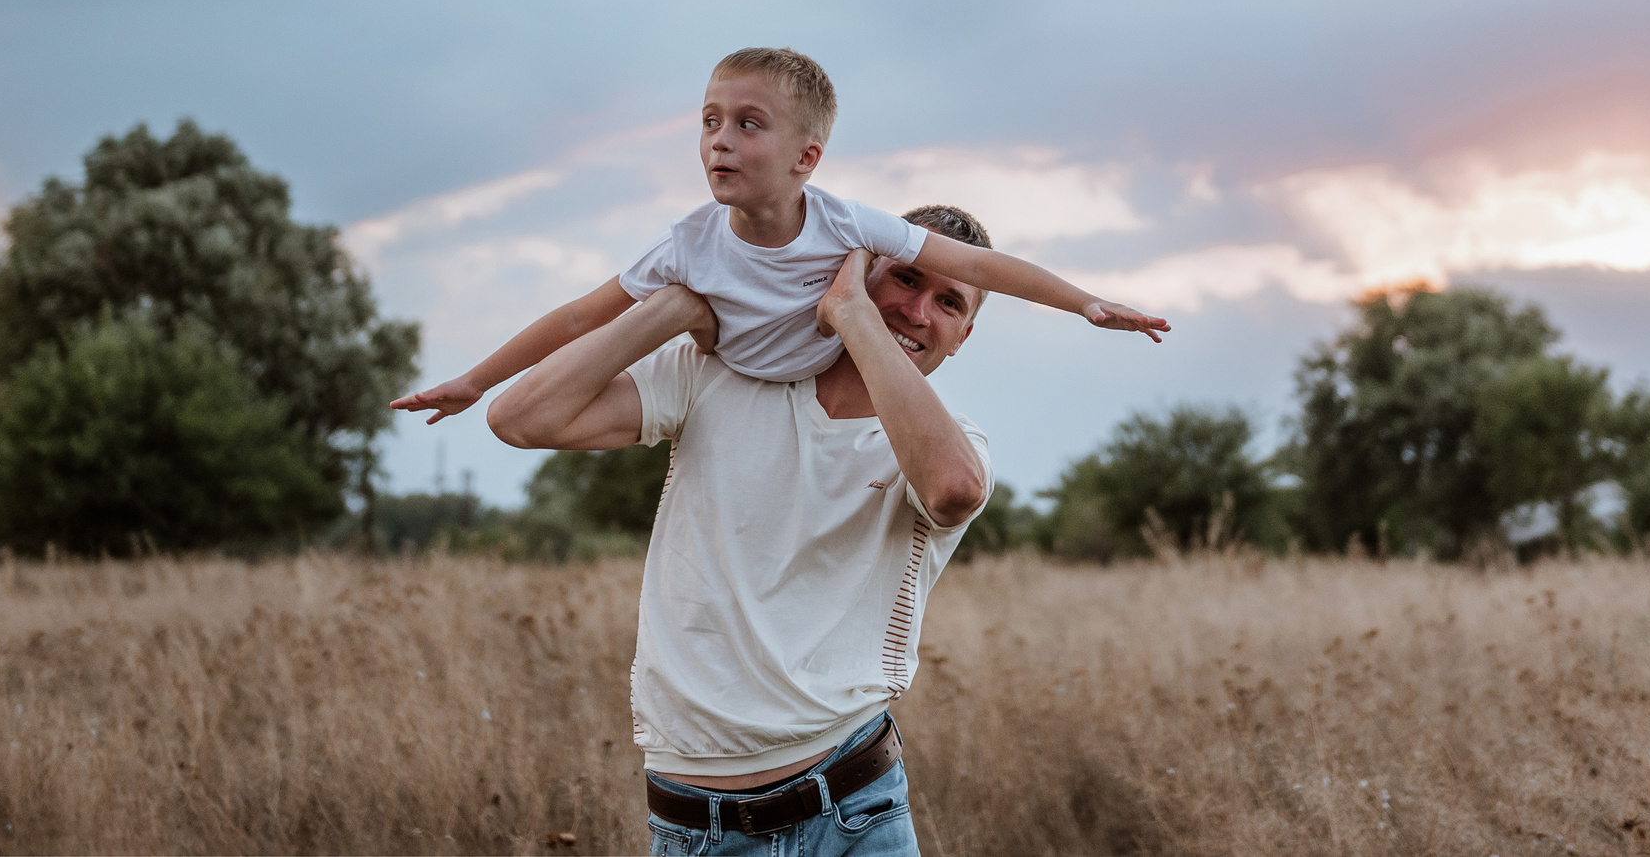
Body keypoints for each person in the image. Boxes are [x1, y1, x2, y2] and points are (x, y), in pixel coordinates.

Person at [486, 205, 1001, 855]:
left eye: (948, 301)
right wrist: (669, 309)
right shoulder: (717, 375)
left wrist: (852, 311)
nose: (918, 310)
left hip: (858, 810)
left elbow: (952, 491)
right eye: (906, 279)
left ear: (964, 334)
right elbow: (520, 417)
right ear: (862, 267)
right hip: (705, 827)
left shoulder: (956, 447)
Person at [392, 47, 1165, 426]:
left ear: (806, 158)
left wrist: (1086, 303)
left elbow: (975, 261)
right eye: (709, 121)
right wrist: (475, 379)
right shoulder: (688, 243)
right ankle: (695, 320)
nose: (720, 140)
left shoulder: (845, 225)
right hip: (732, 374)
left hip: (820, 377)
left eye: (748, 124)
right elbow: (577, 317)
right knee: (672, 307)